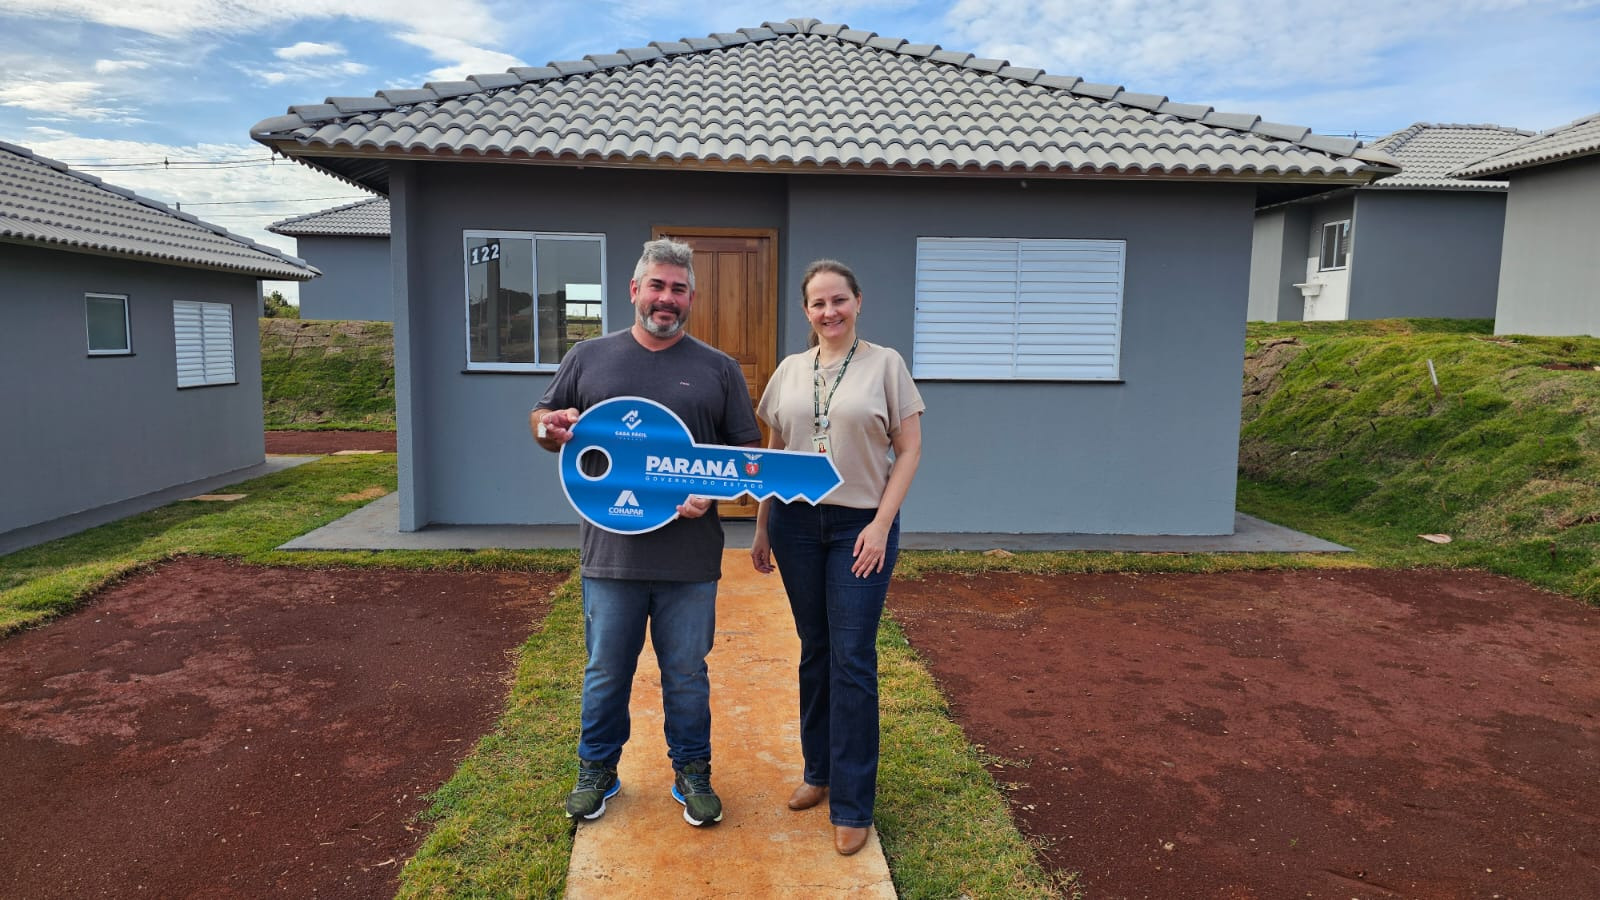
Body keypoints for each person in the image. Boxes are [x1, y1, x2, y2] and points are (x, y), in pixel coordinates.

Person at [530, 238, 762, 827]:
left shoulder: (719, 369)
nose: (667, 298)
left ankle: (691, 771)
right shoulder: (588, 358)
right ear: (634, 291)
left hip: (690, 559)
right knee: (606, 671)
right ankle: (597, 769)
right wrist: (546, 427)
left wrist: (713, 490)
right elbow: (543, 420)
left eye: (678, 288)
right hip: (611, 555)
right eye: (656, 285)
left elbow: (745, 456)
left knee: (687, 673)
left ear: (691, 297)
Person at [749, 259, 924, 856]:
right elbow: (776, 448)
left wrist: (880, 524)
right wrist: (763, 526)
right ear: (806, 311)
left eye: (839, 300)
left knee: (851, 656)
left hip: (858, 523)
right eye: (818, 303)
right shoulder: (790, 370)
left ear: (858, 301)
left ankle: (853, 803)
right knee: (816, 649)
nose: (830, 312)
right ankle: (817, 773)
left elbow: (910, 449)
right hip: (796, 522)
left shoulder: (886, 364)